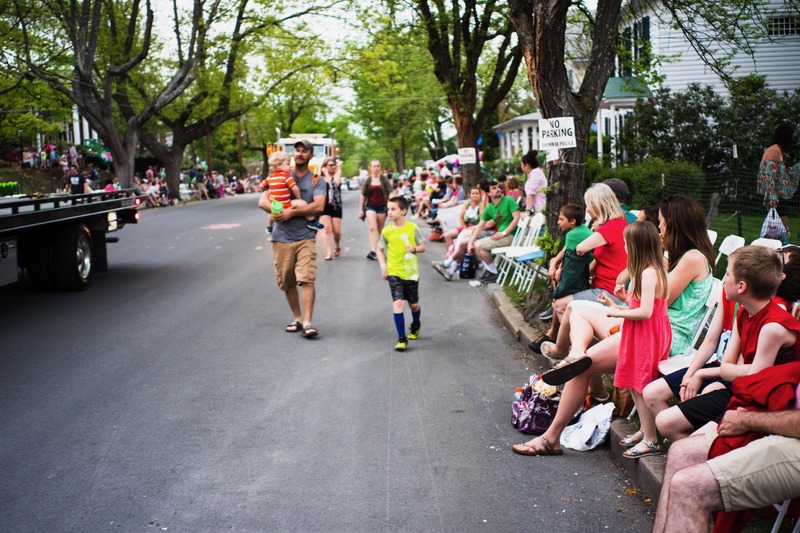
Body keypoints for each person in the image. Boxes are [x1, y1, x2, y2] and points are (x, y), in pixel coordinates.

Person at [513, 195, 715, 456]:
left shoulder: (691, 258)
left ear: (676, 226)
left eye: (662, 224)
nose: (659, 230)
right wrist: (637, 263)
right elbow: (630, 285)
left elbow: (660, 301)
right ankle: (577, 357)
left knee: (582, 367)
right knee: (579, 311)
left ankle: (551, 437)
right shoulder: (672, 259)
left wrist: (643, 264)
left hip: (662, 335)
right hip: (648, 325)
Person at [654, 245, 800, 442]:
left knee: (691, 441)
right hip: (743, 388)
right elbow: (727, 367)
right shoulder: (744, 311)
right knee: (665, 422)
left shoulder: (772, 326)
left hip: (765, 402)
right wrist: (719, 373)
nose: (723, 280)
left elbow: (755, 379)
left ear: (741, 287)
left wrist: (721, 374)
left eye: (728, 274)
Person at [652, 363, 800, 533]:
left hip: (786, 423)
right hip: (780, 411)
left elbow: (753, 372)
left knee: (689, 485)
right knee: (680, 451)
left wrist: (747, 420)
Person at [596, 221, 671, 459]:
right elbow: (641, 305)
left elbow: (646, 312)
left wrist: (617, 313)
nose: (624, 246)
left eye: (626, 243)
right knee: (634, 382)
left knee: (641, 385)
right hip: (641, 332)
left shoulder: (649, 274)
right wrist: (619, 302)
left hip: (646, 335)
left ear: (636, 246)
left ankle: (651, 440)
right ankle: (645, 430)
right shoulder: (647, 271)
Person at [536, 183, 628, 359]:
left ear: (598, 205)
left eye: (589, 206)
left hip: (608, 291)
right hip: (605, 287)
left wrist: (596, 229)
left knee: (559, 305)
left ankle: (570, 350)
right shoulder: (618, 224)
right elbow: (600, 259)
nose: (587, 211)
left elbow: (580, 248)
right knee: (564, 306)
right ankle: (577, 350)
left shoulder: (610, 227)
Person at [257, 139, 326, 338]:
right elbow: (262, 201)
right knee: (287, 281)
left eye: (304, 151)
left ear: (311, 155)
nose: (299, 154)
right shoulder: (280, 174)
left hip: (305, 236)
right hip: (281, 237)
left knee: (306, 279)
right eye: (297, 150)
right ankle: (297, 318)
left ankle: (308, 323)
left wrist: (292, 213)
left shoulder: (317, 180)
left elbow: (319, 206)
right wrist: (277, 211)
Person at [528, 204, 592, 351]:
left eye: (561, 219)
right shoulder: (580, 230)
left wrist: (559, 270)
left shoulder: (573, 234)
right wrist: (555, 263)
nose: (558, 222)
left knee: (559, 298)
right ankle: (553, 333)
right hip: (582, 272)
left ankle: (569, 343)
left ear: (572, 221)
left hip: (585, 275)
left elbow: (570, 260)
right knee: (557, 281)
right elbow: (569, 251)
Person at [376, 196, 426, 351]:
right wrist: (383, 266)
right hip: (394, 272)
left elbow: (422, 246)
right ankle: (402, 338)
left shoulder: (412, 228)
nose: (389, 212)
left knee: (413, 304)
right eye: (388, 209)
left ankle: (416, 324)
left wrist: (414, 248)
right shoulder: (386, 231)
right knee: (398, 303)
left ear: (403, 211)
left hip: (410, 273)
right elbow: (379, 250)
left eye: (393, 209)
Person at [467, 181, 521, 283]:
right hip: (501, 236)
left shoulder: (509, 200)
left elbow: (517, 218)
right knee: (475, 245)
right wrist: (470, 242)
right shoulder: (490, 208)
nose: (498, 189)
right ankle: (491, 271)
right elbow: (480, 226)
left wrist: (504, 233)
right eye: (494, 188)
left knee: (478, 245)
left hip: (513, 235)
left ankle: (493, 273)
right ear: (488, 193)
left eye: (498, 187)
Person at [262, 151, 323, 238]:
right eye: (287, 164)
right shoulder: (286, 176)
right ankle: (312, 221)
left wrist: (264, 189)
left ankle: (269, 227)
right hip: (286, 204)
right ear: (279, 165)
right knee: (303, 204)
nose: (289, 166)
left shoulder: (270, 177)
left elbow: (262, 185)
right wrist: (299, 198)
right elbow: (295, 188)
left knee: (271, 212)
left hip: (275, 204)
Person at [432, 186, 487, 281]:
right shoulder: (468, 203)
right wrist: (465, 228)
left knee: (461, 244)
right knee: (451, 237)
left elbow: (482, 218)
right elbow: (461, 217)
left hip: (476, 228)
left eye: (477, 194)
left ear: (480, 195)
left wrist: (483, 200)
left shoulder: (482, 204)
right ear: (470, 195)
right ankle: (450, 264)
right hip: (466, 227)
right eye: (473, 193)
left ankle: (448, 265)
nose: (475, 195)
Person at [757, 122, 800, 239]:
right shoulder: (775, 151)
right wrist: (772, 197)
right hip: (776, 197)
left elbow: (779, 174)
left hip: (777, 196)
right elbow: (769, 175)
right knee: (781, 231)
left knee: (779, 229)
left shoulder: (774, 149)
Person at [359, 159, 392, 260]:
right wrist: (361, 210)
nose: (376, 168)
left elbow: (390, 193)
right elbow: (363, 195)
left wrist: (391, 207)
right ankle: (373, 251)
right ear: (370, 168)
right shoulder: (368, 180)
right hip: (370, 206)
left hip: (382, 206)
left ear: (380, 167)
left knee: (380, 229)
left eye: (378, 166)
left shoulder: (384, 179)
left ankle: (379, 250)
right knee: (372, 228)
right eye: (374, 166)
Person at [319, 157, 343, 260]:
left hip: (336, 206)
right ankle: (328, 252)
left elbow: (334, 185)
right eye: (330, 165)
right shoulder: (320, 178)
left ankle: (337, 245)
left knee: (336, 231)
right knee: (327, 229)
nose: (333, 167)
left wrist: (328, 174)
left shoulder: (337, 175)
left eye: (334, 165)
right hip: (324, 206)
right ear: (325, 166)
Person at [521, 150, 546, 215]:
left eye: (521, 165)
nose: (521, 167)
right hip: (538, 209)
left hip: (540, 208)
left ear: (526, 165)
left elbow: (531, 192)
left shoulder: (535, 173)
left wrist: (527, 211)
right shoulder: (534, 173)